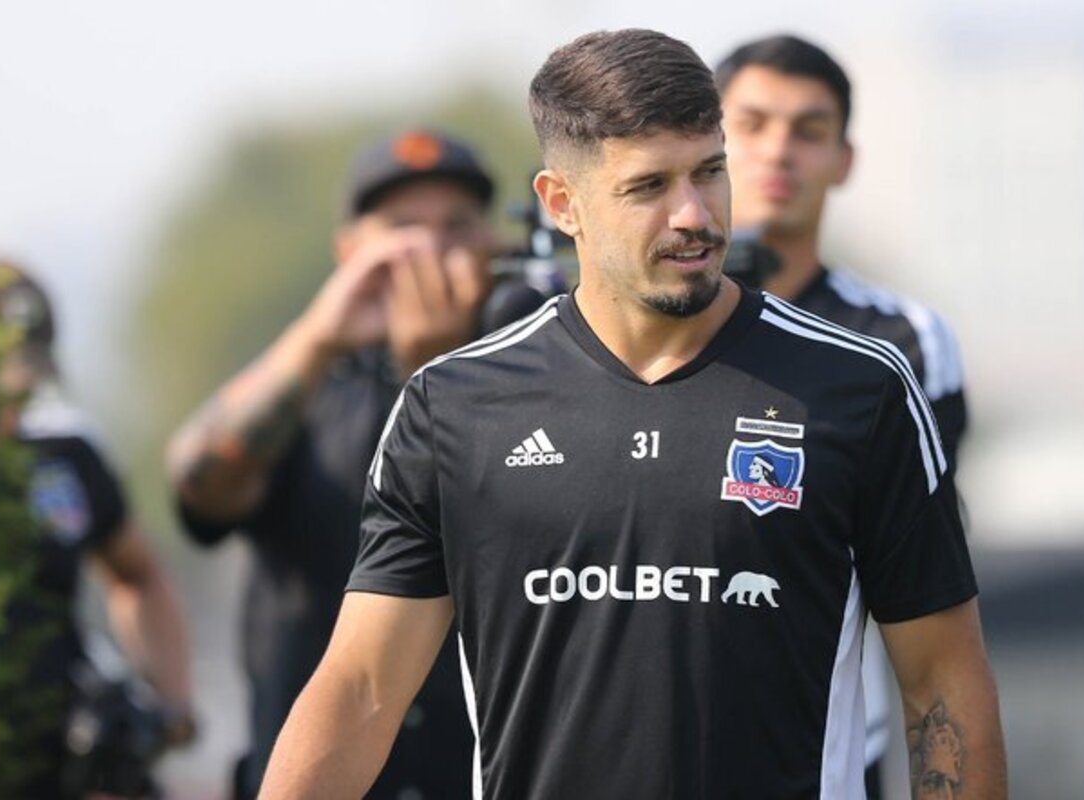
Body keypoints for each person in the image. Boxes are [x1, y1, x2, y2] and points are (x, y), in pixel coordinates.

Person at [260, 29, 1007, 799]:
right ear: (561, 205)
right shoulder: (453, 405)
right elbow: (361, 689)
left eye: (709, 172)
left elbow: (942, 681)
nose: (693, 214)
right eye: (649, 187)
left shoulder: (862, 388)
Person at [165, 129, 502, 799]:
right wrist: (318, 336)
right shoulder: (307, 390)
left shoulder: (525, 381)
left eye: (456, 226)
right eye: (402, 227)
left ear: (494, 244)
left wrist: (431, 368)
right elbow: (199, 492)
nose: (431, 248)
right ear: (348, 250)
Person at [716, 34, 970, 796]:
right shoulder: (637, 326)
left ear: (844, 159)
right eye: (751, 124)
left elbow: (922, 575)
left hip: (828, 749)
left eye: (809, 130)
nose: (778, 151)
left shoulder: (906, 343)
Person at [0, 258, 196, 798]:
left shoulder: (63, 462)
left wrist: (169, 705)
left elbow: (137, 576)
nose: (11, 403)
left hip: (63, 767)